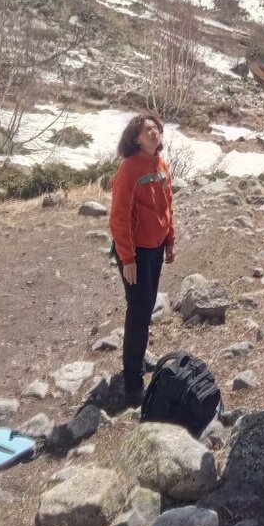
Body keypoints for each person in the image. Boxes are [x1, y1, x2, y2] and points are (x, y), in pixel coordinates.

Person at [109, 111, 175, 406]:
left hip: (156, 248)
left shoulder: (160, 164)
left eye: (155, 128)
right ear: (134, 138)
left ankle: (135, 360)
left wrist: (170, 241)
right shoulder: (129, 169)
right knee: (138, 310)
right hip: (135, 252)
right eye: (146, 129)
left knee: (146, 305)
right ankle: (132, 384)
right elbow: (118, 217)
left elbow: (167, 206)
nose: (153, 132)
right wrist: (128, 258)